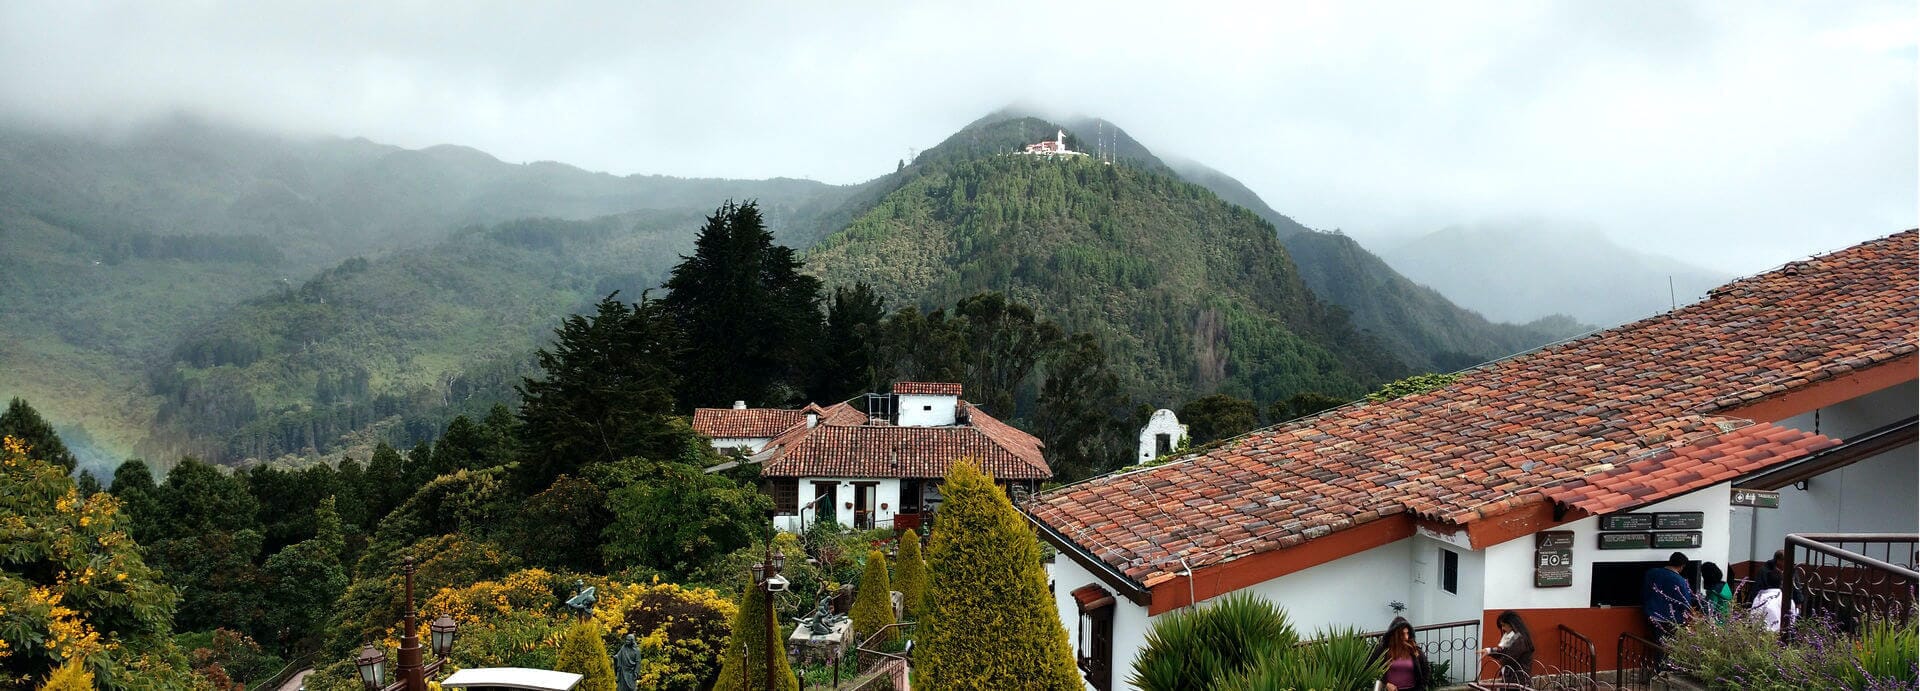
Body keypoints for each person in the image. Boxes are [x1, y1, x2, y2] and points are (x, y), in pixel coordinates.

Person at [1642, 552, 1697, 642]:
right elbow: (1686, 603)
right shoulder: (1680, 581)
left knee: (1657, 645)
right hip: (1671, 620)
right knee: (1669, 648)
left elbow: (1645, 592)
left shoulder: (1651, 573)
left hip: (1651, 615)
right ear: (1682, 566)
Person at [1366, 616, 1431, 691]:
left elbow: (1426, 669)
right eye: (1403, 634)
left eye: (1408, 633)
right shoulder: (1384, 649)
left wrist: (1421, 688)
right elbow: (1370, 669)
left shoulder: (1414, 649)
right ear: (1395, 635)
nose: (1406, 637)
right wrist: (1386, 683)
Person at [1482, 610, 1534, 686]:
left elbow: (1507, 658)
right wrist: (1489, 650)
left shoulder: (1519, 640)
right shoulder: (1515, 637)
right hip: (1512, 680)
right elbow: (1504, 652)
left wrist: (1497, 652)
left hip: (1517, 682)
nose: (1502, 629)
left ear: (1512, 625)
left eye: (1504, 625)